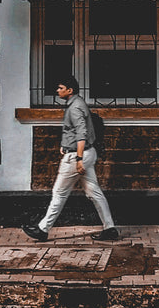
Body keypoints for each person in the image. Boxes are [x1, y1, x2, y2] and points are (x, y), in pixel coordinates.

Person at [22, 75, 119, 243]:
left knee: (59, 192)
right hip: (86, 153)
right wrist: (66, 145)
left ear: (69, 90)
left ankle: (42, 229)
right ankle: (110, 229)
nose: (57, 90)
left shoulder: (74, 108)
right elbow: (76, 131)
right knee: (94, 192)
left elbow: (82, 133)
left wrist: (79, 159)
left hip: (77, 156)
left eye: (60, 88)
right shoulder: (78, 102)